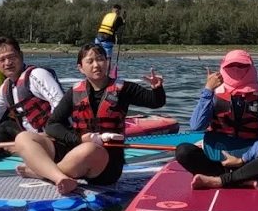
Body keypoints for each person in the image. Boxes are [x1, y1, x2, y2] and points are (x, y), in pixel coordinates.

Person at [11, 43, 165, 195]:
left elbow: (156, 102)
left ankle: (40, 171)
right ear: (80, 68)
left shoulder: (125, 89)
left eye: (100, 59)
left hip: (106, 164)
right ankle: (58, 176)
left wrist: (157, 88)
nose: (96, 65)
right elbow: (52, 125)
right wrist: (78, 140)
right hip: (75, 150)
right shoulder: (74, 92)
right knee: (23, 137)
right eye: (90, 61)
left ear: (107, 62)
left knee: (89, 149)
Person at [175, 50, 258, 189]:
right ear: (223, 67)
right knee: (183, 151)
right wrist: (208, 89)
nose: (237, 70)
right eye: (231, 66)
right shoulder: (213, 93)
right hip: (215, 157)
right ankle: (240, 179)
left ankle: (220, 181)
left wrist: (242, 159)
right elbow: (196, 126)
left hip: (247, 159)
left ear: (251, 68)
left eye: (242, 66)